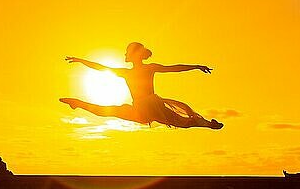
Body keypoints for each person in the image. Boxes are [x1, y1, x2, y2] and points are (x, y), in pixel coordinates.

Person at [60, 42, 223, 129]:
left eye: (126, 52)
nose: (124, 54)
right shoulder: (126, 72)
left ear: (134, 54)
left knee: (182, 122)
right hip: (140, 108)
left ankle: (209, 124)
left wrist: (195, 66)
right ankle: (78, 104)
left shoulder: (148, 68)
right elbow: (101, 68)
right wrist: (82, 61)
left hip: (150, 105)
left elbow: (173, 68)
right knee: (111, 112)